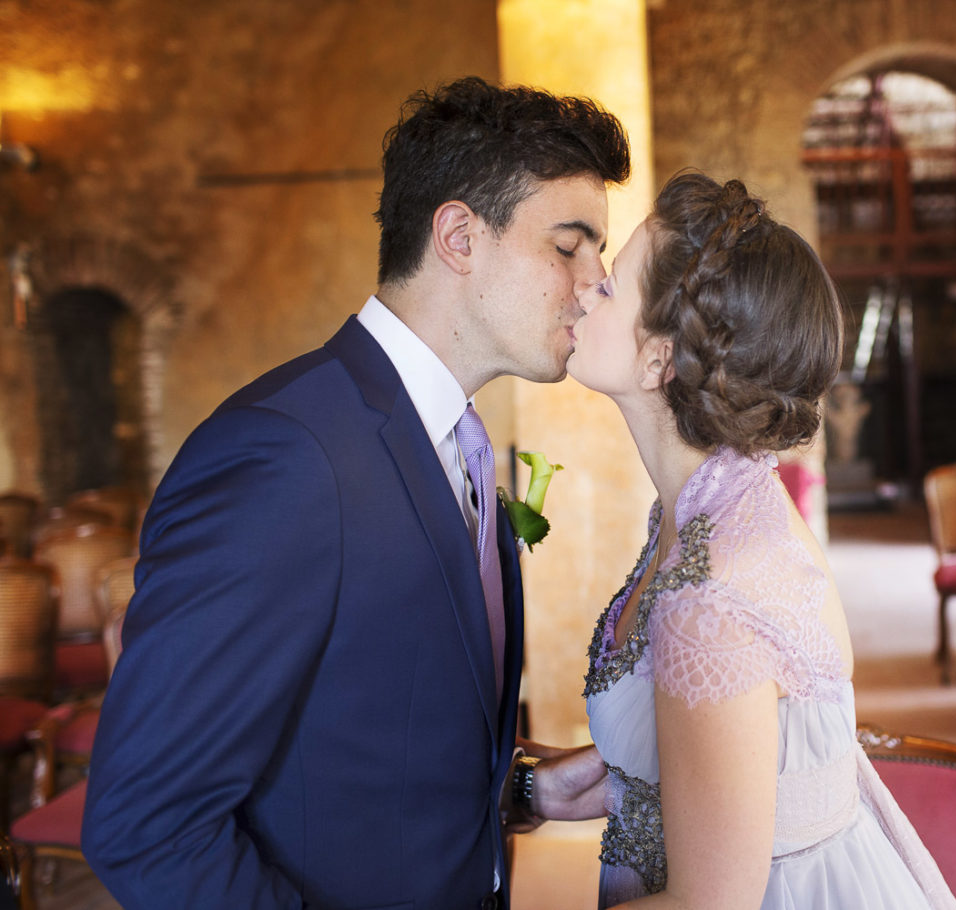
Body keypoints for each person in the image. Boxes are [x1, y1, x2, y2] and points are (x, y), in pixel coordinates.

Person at [82, 76, 630, 910]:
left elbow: (365, 730)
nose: (595, 280)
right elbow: (148, 822)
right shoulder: (284, 456)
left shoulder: (463, 446)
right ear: (457, 236)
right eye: (568, 244)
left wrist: (520, 790)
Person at [570, 171, 956, 910]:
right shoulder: (726, 498)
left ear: (660, 357)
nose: (587, 287)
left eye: (612, 283)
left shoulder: (709, 599)